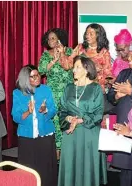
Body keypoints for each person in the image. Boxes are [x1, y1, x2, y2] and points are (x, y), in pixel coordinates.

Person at [58, 56, 107, 186]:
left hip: (89, 133)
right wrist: (68, 118)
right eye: (74, 67)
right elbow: (61, 110)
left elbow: (98, 114)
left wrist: (80, 120)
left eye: (77, 67)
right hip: (70, 133)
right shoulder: (68, 88)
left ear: (86, 69)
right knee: (70, 166)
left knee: (87, 168)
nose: (73, 70)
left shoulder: (95, 88)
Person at [107, 43, 132, 186]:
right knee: (125, 170)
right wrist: (117, 96)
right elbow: (110, 96)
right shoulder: (124, 73)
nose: (128, 58)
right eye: (129, 55)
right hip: (124, 125)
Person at [12, 65, 58, 186]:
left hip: (45, 135)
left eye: (37, 75)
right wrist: (28, 112)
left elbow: (54, 110)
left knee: (45, 168)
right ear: (25, 79)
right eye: (33, 76)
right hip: (26, 137)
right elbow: (16, 117)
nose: (37, 78)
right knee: (28, 168)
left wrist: (45, 110)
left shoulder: (45, 90)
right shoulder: (17, 93)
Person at [37, 28, 73, 158]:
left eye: (53, 38)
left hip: (68, 93)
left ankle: (68, 150)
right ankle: (57, 151)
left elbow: (74, 66)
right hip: (52, 93)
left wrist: (62, 55)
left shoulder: (69, 51)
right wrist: (53, 60)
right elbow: (41, 71)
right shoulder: (46, 55)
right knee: (55, 120)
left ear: (59, 38)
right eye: (49, 38)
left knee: (68, 119)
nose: (50, 40)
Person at [71, 23, 112, 91]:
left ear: (98, 36)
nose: (87, 36)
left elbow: (108, 74)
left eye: (91, 34)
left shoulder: (104, 52)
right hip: (79, 86)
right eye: (87, 33)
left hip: (96, 88)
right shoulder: (80, 48)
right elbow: (69, 63)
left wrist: (97, 77)